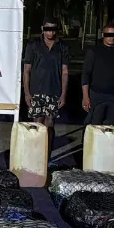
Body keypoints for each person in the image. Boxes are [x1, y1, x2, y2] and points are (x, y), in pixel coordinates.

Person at [22, 17, 70, 158]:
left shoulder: (63, 47)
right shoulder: (33, 45)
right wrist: (27, 93)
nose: (50, 33)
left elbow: (65, 72)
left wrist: (63, 94)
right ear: (42, 29)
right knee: (37, 125)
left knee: (49, 124)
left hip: (54, 91)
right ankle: (35, 156)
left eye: (53, 29)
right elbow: (26, 70)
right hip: (36, 91)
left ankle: (46, 157)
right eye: (48, 29)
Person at [81, 23, 114, 130]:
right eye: (108, 35)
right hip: (97, 96)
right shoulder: (93, 52)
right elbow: (86, 74)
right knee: (93, 127)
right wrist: (85, 97)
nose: (111, 38)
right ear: (103, 35)